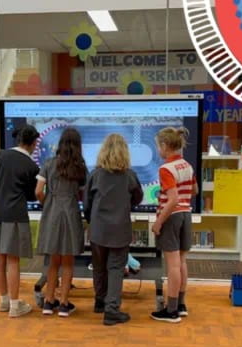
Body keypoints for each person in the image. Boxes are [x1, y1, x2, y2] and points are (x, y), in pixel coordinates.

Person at [0, 125, 40, 318]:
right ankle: (15, 305)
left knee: (0, 258)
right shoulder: (32, 166)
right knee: (13, 260)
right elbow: (31, 195)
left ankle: (4, 300)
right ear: (33, 143)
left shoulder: (0, 155)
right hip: (15, 215)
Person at [84, 134, 143, 326]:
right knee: (116, 268)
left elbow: (87, 204)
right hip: (120, 229)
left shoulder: (95, 175)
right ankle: (111, 310)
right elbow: (138, 198)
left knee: (99, 268)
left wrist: (90, 220)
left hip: (98, 230)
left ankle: (100, 302)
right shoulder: (129, 176)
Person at [36, 127, 87, 317]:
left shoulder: (49, 164)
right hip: (71, 211)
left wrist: (47, 202)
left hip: (52, 212)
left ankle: (49, 302)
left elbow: (38, 191)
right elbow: (83, 193)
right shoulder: (80, 167)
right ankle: (64, 303)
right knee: (68, 261)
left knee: (53, 261)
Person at [150, 127, 198, 323]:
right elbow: (193, 190)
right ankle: (181, 304)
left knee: (172, 265)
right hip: (186, 214)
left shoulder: (165, 169)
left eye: (158, 146)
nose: (158, 151)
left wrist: (158, 222)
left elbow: (172, 199)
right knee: (182, 262)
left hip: (171, 216)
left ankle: (170, 311)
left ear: (164, 146)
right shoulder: (187, 165)